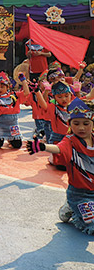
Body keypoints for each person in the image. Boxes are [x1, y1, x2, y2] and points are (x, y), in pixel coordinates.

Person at [25, 98, 94, 235]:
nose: (81, 128)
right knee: (92, 223)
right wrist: (43, 146)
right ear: (70, 124)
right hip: (79, 193)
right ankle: (71, 207)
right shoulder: (70, 141)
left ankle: (73, 208)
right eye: (76, 123)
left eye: (86, 123)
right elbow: (59, 149)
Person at [0, 71, 30, 149]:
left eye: (2, 87)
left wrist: (23, 81)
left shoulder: (14, 96)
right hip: (0, 126)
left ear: (7, 87)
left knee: (17, 145)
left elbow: (26, 93)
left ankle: (11, 140)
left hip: (13, 126)